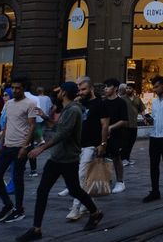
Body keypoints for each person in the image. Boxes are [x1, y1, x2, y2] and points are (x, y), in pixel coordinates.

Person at [14, 82, 103, 241]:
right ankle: (36, 229)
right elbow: (59, 128)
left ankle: (95, 213)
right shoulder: (68, 109)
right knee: (44, 190)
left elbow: (64, 133)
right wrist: (46, 117)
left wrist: (41, 148)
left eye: (60, 91)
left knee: (74, 190)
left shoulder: (73, 110)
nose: (57, 93)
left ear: (64, 93)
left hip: (67, 159)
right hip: (57, 157)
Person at [64, 76, 107, 220]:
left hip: (91, 145)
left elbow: (105, 125)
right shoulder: (78, 103)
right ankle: (87, 204)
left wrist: (103, 144)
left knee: (81, 176)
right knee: (82, 176)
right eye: (79, 90)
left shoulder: (100, 103)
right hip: (77, 145)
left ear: (91, 88)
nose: (81, 92)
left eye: (84, 89)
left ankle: (75, 208)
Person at [0, 77, 37, 223]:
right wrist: (1, 144)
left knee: (18, 179)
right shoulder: (9, 103)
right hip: (7, 146)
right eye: (13, 88)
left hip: (20, 146)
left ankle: (19, 209)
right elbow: (7, 125)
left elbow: (32, 126)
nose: (14, 90)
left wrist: (25, 147)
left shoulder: (30, 103)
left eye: (17, 88)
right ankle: (8, 205)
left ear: (23, 88)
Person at [103, 78, 128, 194]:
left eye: (108, 86)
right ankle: (106, 179)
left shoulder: (121, 102)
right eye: (105, 87)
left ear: (115, 88)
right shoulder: (103, 102)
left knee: (116, 157)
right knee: (102, 157)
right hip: (103, 134)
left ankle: (120, 181)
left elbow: (124, 121)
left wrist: (110, 127)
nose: (105, 89)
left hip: (117, 134)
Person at [119, 83, 144, 166]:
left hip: (134, 125)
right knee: (124, 143)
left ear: (133, 89)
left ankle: (127, 158)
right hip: (125, 125)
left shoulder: (137, 99)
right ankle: (123, 159)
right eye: (127, 88)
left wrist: (145, 117)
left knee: (131, 142)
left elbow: (142, 109)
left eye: (129, 88)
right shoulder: (122, 99)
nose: (128, 90)